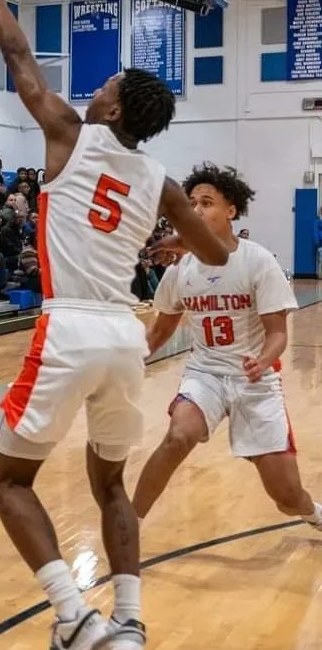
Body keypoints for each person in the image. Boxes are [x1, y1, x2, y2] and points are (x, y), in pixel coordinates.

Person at [0, 0, 231, 650]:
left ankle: (74, 615)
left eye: (107, 84)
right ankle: (129, 621)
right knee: (110, 483)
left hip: (69, 327)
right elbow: (216, 253)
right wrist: (173, 241)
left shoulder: (69, 134)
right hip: (125, 338)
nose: (97, 88)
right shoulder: (162, 183)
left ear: (113, 108)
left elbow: (18, 55)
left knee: (7, 480)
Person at [130, 165, 321, 580]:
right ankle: (127, 524)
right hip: (207, 373)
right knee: (178, 435)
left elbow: (278, 334)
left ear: (232, 210)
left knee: (287, 498)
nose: (197, 210)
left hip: (256, 380)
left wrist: (263, 359)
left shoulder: (258, 261)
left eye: (207, 202)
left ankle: (314, 514)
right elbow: (160, 331)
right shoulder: (180, 270)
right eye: (191, 203)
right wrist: (129, 363)